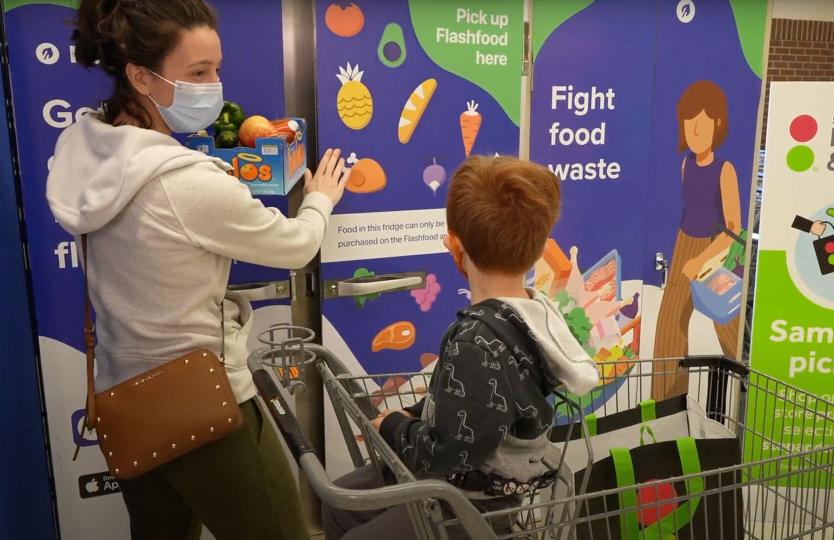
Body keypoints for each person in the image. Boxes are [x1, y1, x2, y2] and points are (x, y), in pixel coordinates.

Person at [46, 1, 349, 538]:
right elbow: (297, 243)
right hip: (205, 402)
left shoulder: (86, 149)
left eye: (216, 67)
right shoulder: (187, 184)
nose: (216, 85)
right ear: (141, 76)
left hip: (128, 400)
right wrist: (320, 198)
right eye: (198, 73)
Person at [321, 156, 600, 539]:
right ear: (537, 253)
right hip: (466, 481)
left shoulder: (476, 345)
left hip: (474, 504)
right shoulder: (533, 316)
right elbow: (467, 403)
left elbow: (449, 451)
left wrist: (394, 425)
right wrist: (417, 412)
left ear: (454, 247)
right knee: (340, 502)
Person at [652, 80, 743, 400]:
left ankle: (750, 380)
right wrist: (686, 257)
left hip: (716, 250)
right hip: (684, 243)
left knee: (728, 324)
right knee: (669, 326)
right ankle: (666, 404)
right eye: (689, 123)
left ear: (717, 124)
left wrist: (701, 260)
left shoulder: (725, 170)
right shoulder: (686, 164)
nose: (694, 131)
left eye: (702, 123)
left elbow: (734, 229)